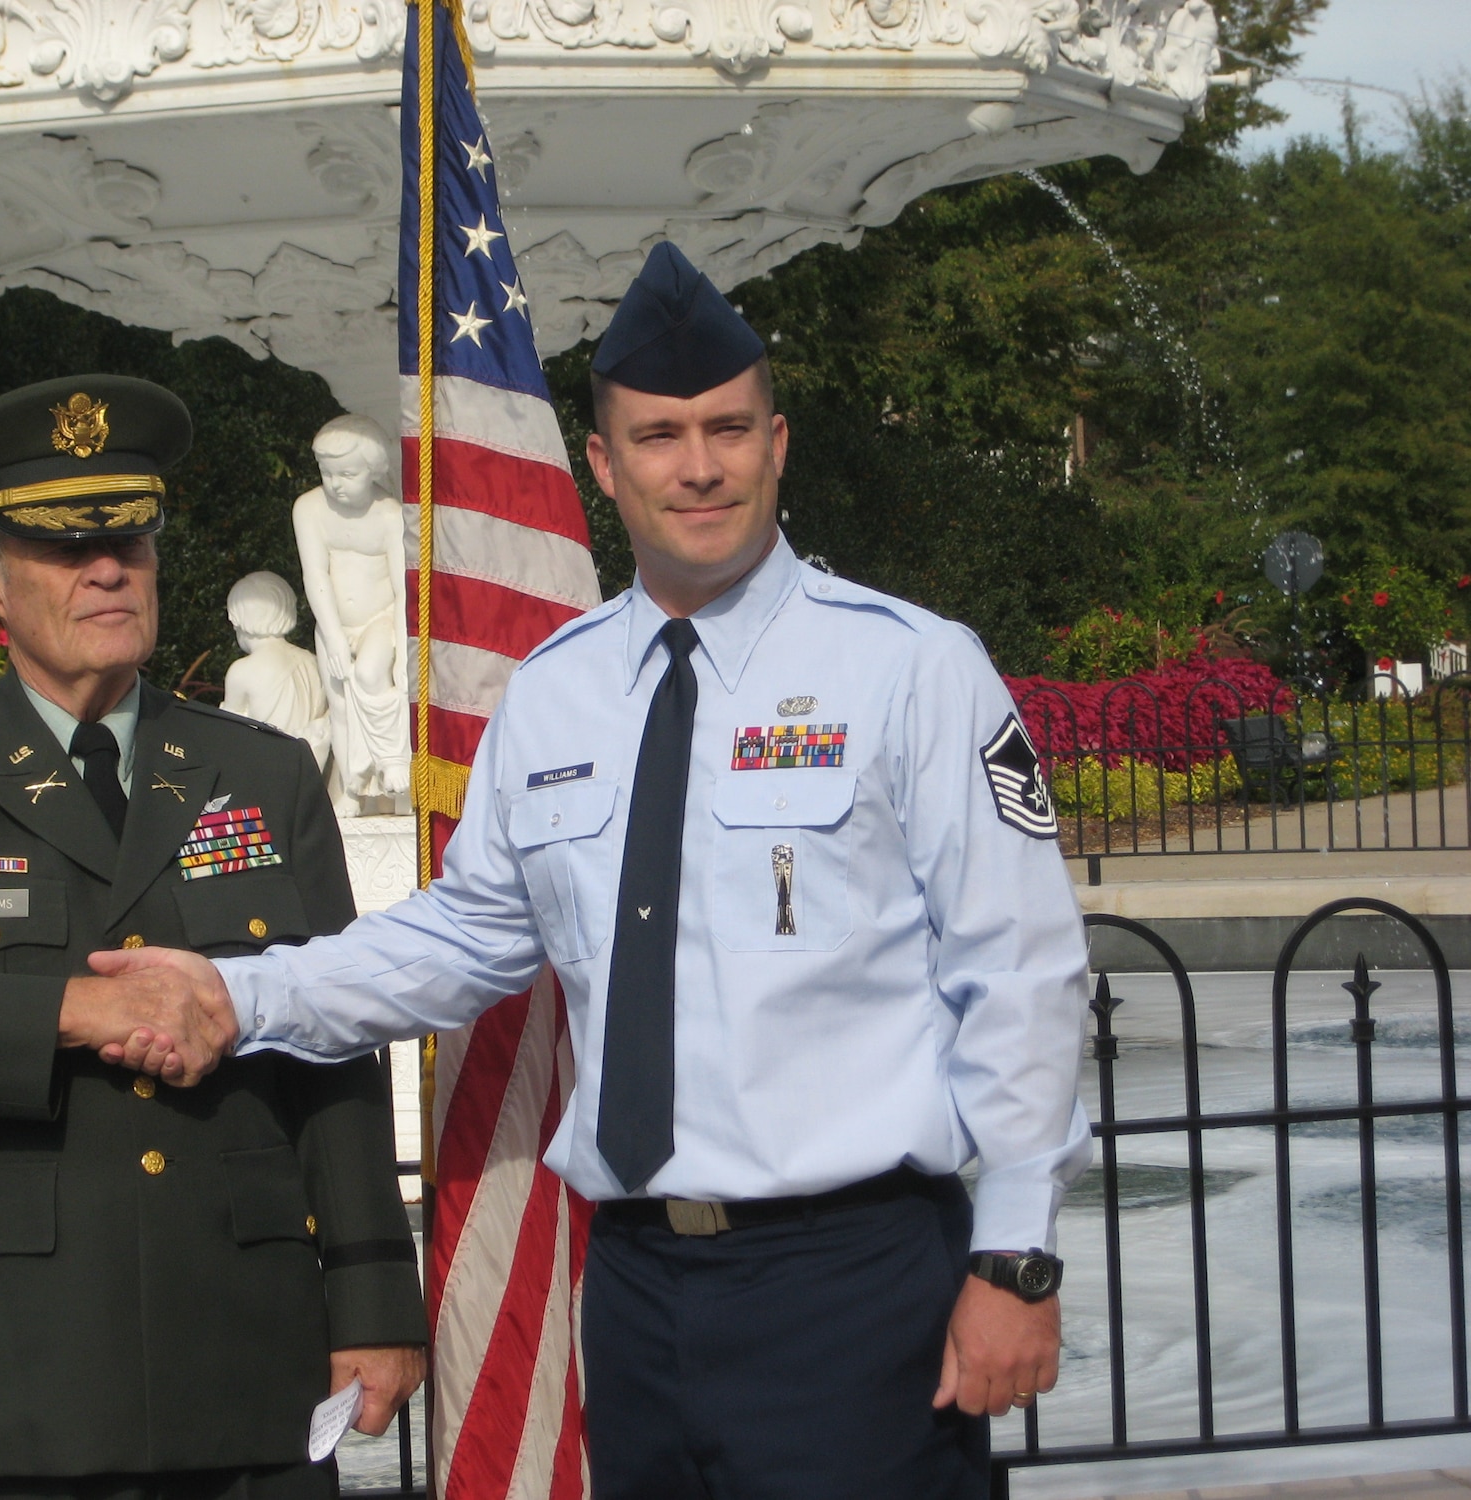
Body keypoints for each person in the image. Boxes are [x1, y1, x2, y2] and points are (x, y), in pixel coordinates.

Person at [102, 244, 1095, 1498]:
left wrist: (1013, 1257)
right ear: (603, 462)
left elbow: (1017, 971)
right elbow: (465, 939)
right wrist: (237, 998)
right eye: (660, 433)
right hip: (633, 1291)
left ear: (776, 442)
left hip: (853, 1283)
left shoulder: (909, 668)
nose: (698, 466)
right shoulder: (557, 691)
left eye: (727, 428)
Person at [0, 374, 427, 1500]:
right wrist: (76, 1010)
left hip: (243, 1341)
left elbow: (334, 1042)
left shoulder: (260, 770)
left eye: (127, 540)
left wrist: (372, 1295)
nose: (107, 570)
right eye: (60, 547)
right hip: (22, 1362)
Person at [292, 414, 410, 814]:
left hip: (381, 619)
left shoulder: (390, 514)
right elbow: (315, 574)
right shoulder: (309, 508)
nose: (335, 483)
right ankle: (351, 789)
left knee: (372, 675)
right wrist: (335, 636)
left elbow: (402, 587)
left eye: (347, 473)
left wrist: (405, 649)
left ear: (374, 470)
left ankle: (396, 768)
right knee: (339, 705)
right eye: (327, 472)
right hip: (333, 624)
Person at [221, 571, 331, 773]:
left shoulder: (241, 671)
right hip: (313, 767)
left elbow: (230, 736)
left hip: (268, 770)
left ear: (238, 621)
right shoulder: (312, 661)